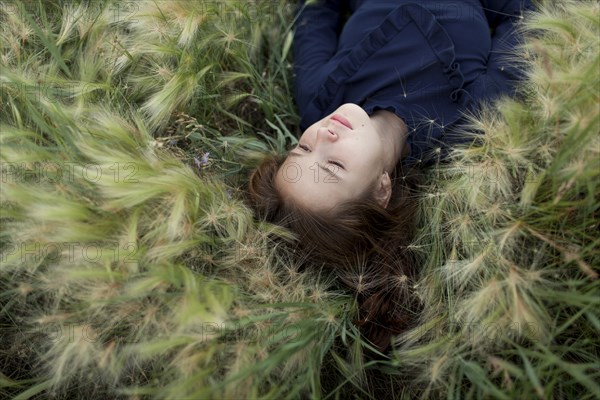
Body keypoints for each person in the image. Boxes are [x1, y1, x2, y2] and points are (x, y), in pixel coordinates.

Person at [246, 0, 533, 351]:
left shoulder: (318, 99)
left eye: (302, 149)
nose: (323, 136)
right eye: (334, 166)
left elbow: (317, 12)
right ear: (381, 189)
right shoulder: (467, 121)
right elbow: (522, 21)